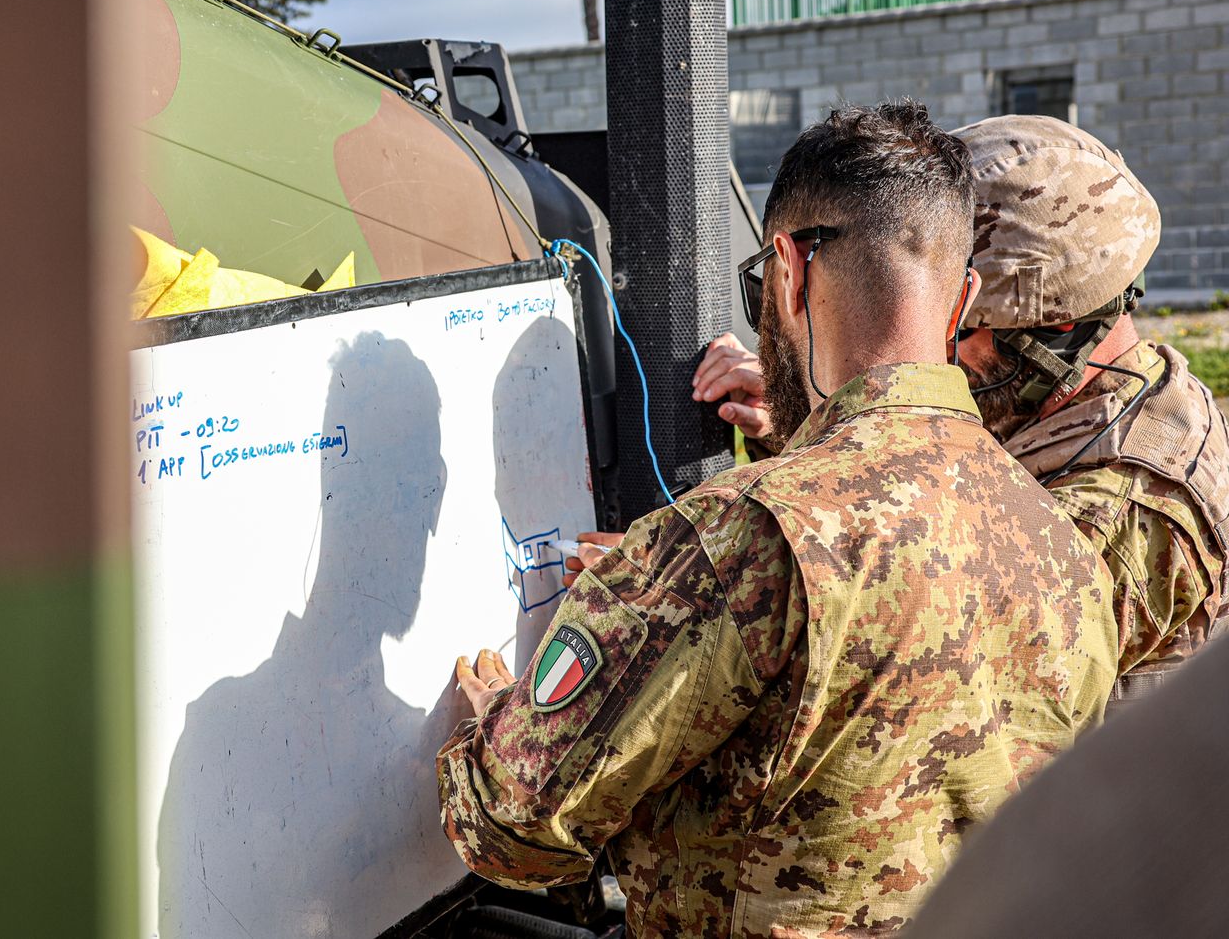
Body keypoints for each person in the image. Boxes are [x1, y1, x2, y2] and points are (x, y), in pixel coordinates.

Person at [437, 102, 1119, 937]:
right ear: (961, 298)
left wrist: (489, 731)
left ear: (791, 270)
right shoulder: (1062, 538)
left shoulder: (739, 539)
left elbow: (511, 831)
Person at [691, 114, 1229, 713]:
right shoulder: (1081, 399)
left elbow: (915, 679)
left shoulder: (1122, 512)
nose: (923, 347)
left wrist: (695, 614)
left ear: (1055, 331)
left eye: (951, 324)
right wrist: (811, 421)